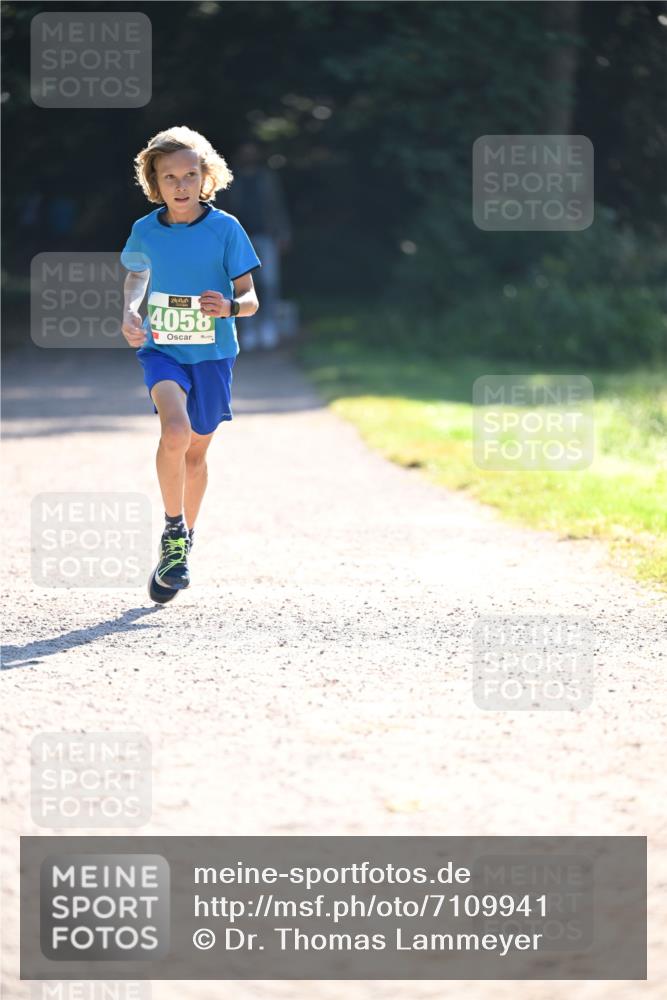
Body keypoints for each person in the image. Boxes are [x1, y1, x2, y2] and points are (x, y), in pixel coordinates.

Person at [120, 126, 261, 599]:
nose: (180, 185)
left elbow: (250, 297)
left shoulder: (226, 228)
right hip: (162, 348)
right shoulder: (145, 230)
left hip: (214, 354)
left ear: (206, 178)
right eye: (169, 177)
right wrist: (130, 311)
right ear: (154, 184)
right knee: (175, 432)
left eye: (189, 175)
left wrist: (230, 307)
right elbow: (137, 277)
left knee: (197, 453)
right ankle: (173, 531)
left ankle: (184, 540)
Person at [222, 141, 291, 350]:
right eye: (245, 152)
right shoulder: (231, 179)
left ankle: (268, 326)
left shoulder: (266, 178)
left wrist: (283, 233)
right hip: (239, 238)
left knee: (269, 282)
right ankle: (248, 328)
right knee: (240, 284)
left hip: (266, 235)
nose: (249, 156)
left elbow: (277, 206)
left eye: (252, 152)